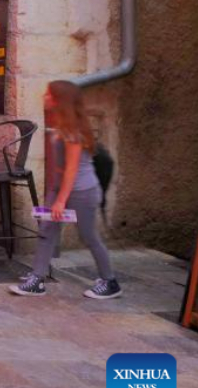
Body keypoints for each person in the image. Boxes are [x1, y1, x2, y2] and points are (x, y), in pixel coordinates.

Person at [10, 81, 121, 299]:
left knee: (89, 236)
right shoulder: (60, 125)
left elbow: (71, 170)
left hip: (83, 192)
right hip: (62, 189)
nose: (45, 97)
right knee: (47, 231)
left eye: (49, 94)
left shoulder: (73, 132)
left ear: (59, 100)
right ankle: (37, 279)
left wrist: (60, 201)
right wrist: (55, 192)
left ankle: (110, 281)